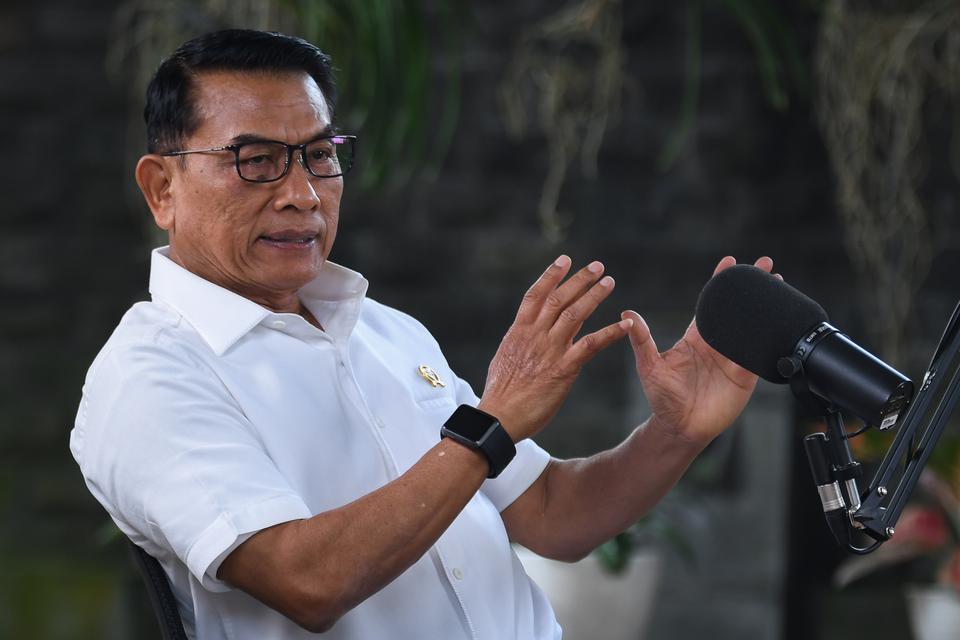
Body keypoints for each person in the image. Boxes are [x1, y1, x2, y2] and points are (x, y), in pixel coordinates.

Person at [70, 29, 777, 640]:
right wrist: (488, 426)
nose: (302, 194)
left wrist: (676, 432)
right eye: (255, 161)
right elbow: (305, 581)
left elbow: (554, 516)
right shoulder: (150, 375)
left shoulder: (384, 330)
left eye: (319, 155)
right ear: (162, 189)